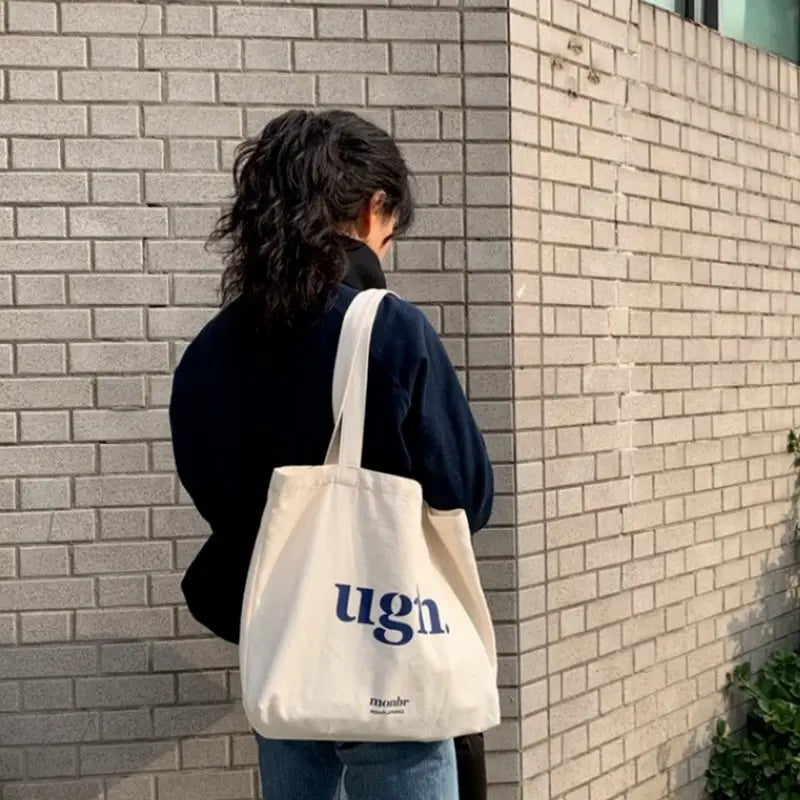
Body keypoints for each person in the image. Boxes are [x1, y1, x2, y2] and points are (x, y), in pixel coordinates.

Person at [169, 109, 494, 800]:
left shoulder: (213, 347)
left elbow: (213, 488)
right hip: (387, 643)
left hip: (285, 643)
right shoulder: (391, 328)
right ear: (375, 206)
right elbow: (467, 494)